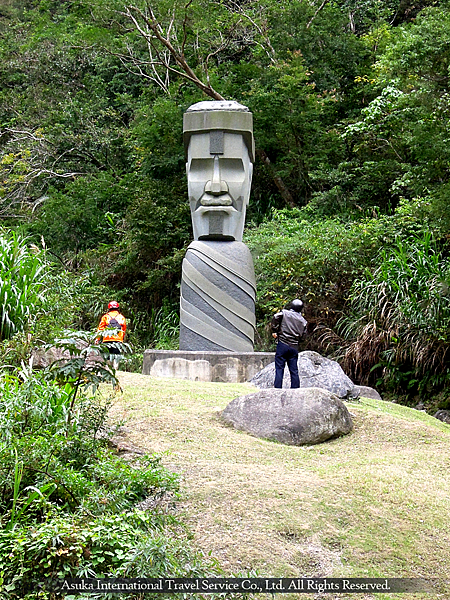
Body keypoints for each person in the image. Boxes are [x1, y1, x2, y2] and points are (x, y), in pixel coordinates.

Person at [271, 299, 307, 389]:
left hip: (282, 344)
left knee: (279, 368)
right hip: (294, 347)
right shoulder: (303, 321)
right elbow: (304, 336)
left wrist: (275, 330)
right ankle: (295, 389)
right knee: (294, 370)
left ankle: (277, 388)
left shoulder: (284, 313)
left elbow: (275, 317)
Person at [96, 301, 127, 370]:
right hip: (118, 340)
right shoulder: (121, 317)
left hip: (107, 339)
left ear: (109, 308)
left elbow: (100, 329)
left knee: (107, 356)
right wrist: (122, 338)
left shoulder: (105, 317)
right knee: (116, 356)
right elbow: (124, 329)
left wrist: (97, 339)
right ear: (118, 308)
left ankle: (108, 369)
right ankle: (115, 370)